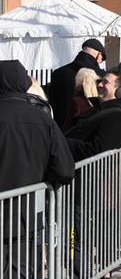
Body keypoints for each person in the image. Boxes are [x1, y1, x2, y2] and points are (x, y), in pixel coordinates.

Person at [0, 60, 75, 279]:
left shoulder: (41, 117)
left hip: (20, 211)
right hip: (26, 212)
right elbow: (65, 168)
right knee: (22, 269)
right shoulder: (42, 118)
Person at [48, 38, 106, 128]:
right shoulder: (100, 76)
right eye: (101, 59)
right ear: (99, 55)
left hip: (59, 128)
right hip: (85, 129)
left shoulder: (58, 73)